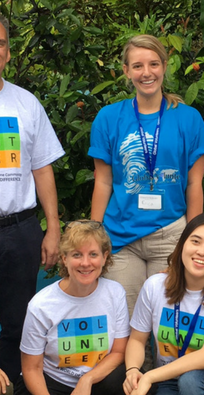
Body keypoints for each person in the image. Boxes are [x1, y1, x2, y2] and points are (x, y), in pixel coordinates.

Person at [89, 34, 204, 318]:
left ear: (165, 66)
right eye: (138, 66)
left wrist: (192, 239)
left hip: (170, 235)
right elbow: (103, 181)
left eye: (154, 64)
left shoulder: (188, 118)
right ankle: (131, 366)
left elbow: (194, 184)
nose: (147, 73)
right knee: (126, 324)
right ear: (126, 71)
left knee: (167, 323)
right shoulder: (108, 118)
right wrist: (94, 236)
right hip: (120, 237)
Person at [0, 13, 65, 384]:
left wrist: (52, 227)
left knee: (17, 321)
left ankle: (13, 384)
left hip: (20, 229)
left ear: (8, 51)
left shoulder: (26, 104)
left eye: (1, 42)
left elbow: (42, 168)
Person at [123, 213, 204, 395]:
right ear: (182, 246)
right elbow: (137, 340)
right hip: (169, 379)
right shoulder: (155, 286)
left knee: (191, 380)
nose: (202, 251)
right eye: (195, 241)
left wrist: (148, 377)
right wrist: (132, 370)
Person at [18, 220, 130, 395]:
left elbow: (118, 352)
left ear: (104, 257)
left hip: (97, 380)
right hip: (52, 381)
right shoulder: (41, 305)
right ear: (64, 259)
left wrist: (87, 379)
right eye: (77, 255)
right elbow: (31, 368)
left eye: (93, 254)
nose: (85, 263)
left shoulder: (115, 293)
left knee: (132, 381)